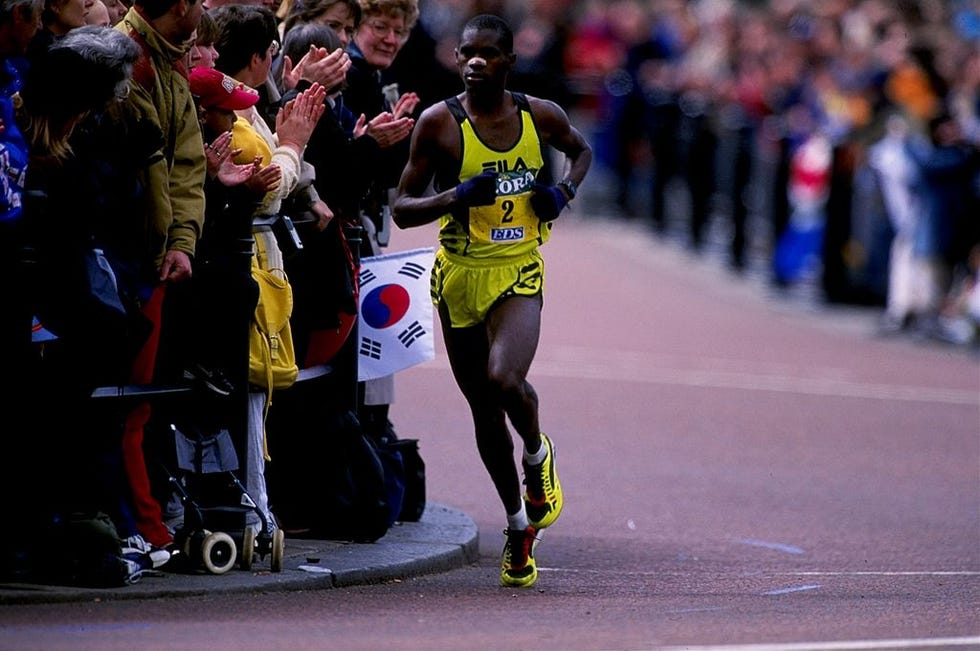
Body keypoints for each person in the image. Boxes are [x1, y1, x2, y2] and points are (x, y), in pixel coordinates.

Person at [392, 13, 591, 588]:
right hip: (459, 276)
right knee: (483, 409)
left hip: (518, 269)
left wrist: (563, 192)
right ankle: (517, 526)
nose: (475, 61)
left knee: (506, 379)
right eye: (466, 53)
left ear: (508, 61)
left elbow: (580, 153)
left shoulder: (540, 115)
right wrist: (454, 197)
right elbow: (403, 208)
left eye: (487, 53)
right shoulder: (438, 124)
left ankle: (536, 454)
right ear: (457, 61)